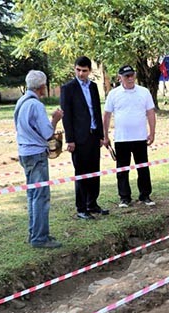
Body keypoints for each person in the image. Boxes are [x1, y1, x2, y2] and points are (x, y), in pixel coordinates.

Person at [14, 70, 63, 249]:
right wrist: (55, 119)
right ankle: (40, 237)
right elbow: (48, 133)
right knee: (41, 196)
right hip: (36, 154)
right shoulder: (36, 105)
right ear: (42, 87)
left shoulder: (21, 102)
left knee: (32, 194)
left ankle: (34, 232)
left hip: (24, 153)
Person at [60, 56, 108, 220]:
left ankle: (92, 203)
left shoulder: (93, 87)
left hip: (94, 135)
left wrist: (101, 135)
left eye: (84, 71)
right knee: (81, 173)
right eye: (78, 70)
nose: (81, 73)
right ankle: (81, 208)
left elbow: (96, 111)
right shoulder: (68, 88)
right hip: (78, 138)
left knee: (94, 171)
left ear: (90, 71)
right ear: (74, 69)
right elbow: (66, 116)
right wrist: (70, 139)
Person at [103, 65, 156, 208]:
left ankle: (145, 195)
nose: (130, 78)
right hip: (122, 138)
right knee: (122, 169)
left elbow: (150, 112)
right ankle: (124, 197)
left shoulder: (144, 92)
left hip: (140, 137)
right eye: (127, 76)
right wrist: (105, 135)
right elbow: (106, 115)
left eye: (132, 75)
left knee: (143, 167)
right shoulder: (113, 94)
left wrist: (152, 132)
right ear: (120, 78)